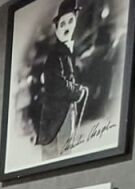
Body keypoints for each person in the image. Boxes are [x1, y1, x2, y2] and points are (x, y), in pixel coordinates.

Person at [22, 0, 89, 153]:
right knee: (59, 152)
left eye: (70, 21)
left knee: (61, 150)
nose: (67, 27)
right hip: (58, 113)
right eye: (62, 24)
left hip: (62, 111)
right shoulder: (55, 54)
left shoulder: (68, 51)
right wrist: (77, 91)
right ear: (57, 28)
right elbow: (57, 85)